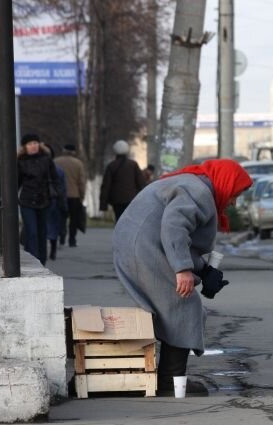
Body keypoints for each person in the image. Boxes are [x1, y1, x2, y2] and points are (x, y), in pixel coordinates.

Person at [112, 159, 252, 396]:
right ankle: (170, 383)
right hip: (143, 248)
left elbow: (181, 239)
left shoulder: (195, 185)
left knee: (176, 307)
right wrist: (183, 270)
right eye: (235, 194)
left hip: (138, 244)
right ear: (226, 182)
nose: (233, 202)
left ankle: (167, 378)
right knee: (183, 306)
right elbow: (173, 227)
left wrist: (204, 271)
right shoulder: (198, 192)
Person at [17, 134, 61, 265]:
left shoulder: (46, 160)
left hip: (44, 200)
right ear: (25, 147)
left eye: (35, 143)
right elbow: (16, 182)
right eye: (30, 144)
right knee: (31, 232)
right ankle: (32, 260)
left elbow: (55, 179)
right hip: (27, 201)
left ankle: (42, 261)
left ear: (39, 144)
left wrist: (58, 195)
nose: (33, 146)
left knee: (42, 233)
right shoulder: (20, 161)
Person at [99, 140, 146, 222]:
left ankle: (120, 233)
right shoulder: (133, 165)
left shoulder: (111, 166)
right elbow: (141, 183)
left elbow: (106, 186)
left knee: (119, 219)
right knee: (130, 220)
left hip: (117, 200)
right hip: (131, 199)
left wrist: (103, 204)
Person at [54, 143, 86, 247]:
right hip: (74, 195)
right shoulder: (78, 163)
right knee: (74, 219)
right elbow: (81, 182)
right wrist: (82, 195)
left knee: (61, 217)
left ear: (64, 150)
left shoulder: (56, 162)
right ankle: (72, 240)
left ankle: (62, 237)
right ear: (74, 152)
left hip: (59, 195)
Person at [44, 144, 68, 260]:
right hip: (54, 201)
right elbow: (62, 188)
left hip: (42, 201)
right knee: (53, 226)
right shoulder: (58, 170)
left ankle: (43, 250)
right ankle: (53, 249)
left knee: (43, 226)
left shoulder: (38, 167)